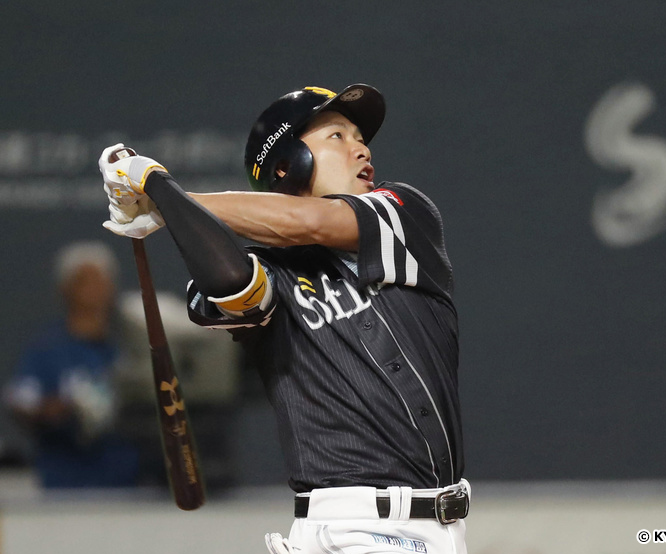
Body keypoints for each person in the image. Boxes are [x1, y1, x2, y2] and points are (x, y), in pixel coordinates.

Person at [98, 84, 468, 553]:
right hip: (348, 531)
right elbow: (232, 280)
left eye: (360, 136)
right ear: (286, 165)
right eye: (337, 136)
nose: (362, 148)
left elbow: (310, 223)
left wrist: (164, 195)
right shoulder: (272, 270)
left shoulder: (405, 214)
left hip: (438, 528)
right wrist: (164, 196)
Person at [3, 241, 139, 488]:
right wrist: (68, 408)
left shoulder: (127, 348)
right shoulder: (47, 350)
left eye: (102, 281)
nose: (96, 290)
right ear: (66, 288)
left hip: (126, 481)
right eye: (86, 282)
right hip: (66, 481)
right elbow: (21, 403)